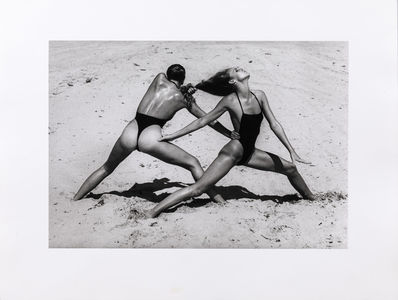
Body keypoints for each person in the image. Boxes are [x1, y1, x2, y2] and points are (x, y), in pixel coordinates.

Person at [146, 66, 315, 217]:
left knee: (291, 169)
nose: (239, 67)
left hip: (250, 152)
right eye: (235, 70)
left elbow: (274, 124)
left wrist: (291, 150)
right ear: (233, 80)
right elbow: (202, 121)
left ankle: (312, 199)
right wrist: (173, 135)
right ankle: (152, 212)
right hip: (233, 151)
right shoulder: (230, 101)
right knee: (198, 189)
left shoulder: (260, 95)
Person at [73, 64, 239, 203]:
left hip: (132, 130)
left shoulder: (159, 79)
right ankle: (219, 201)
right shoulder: (185, 99)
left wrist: (185, 88)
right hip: (150, 137)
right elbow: (208, 119)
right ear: (183, 78)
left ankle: (76, 198)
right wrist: (228, 133)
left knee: (107, 167)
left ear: (168, 74)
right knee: (193, 163)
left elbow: (174, 84)